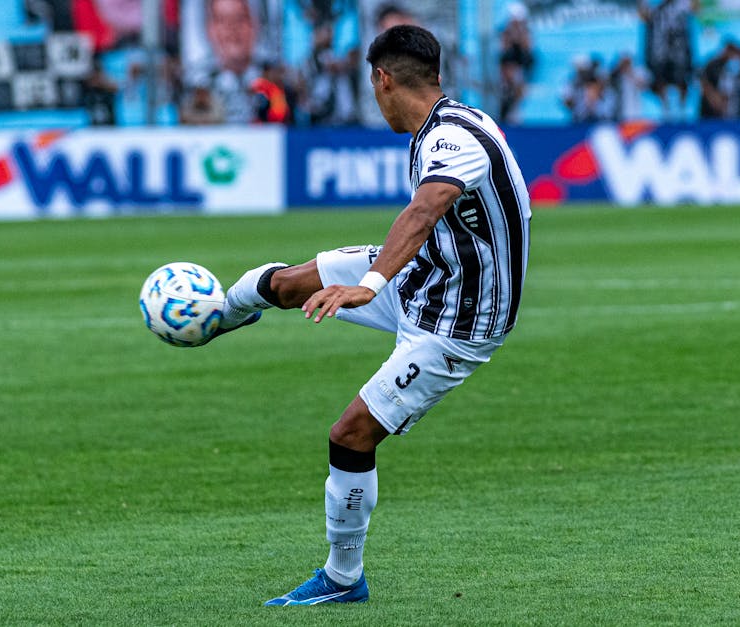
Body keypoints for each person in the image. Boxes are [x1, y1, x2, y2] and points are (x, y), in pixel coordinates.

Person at [206, 24, 530, 605]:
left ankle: (342, 578)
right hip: (425, 278)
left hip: (459, 323)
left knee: (350, 434)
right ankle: (215, 317)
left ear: (381, 79)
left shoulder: (454, 139)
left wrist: (373, 281)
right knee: (290, 283)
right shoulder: (445, 124)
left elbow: (425, 210)